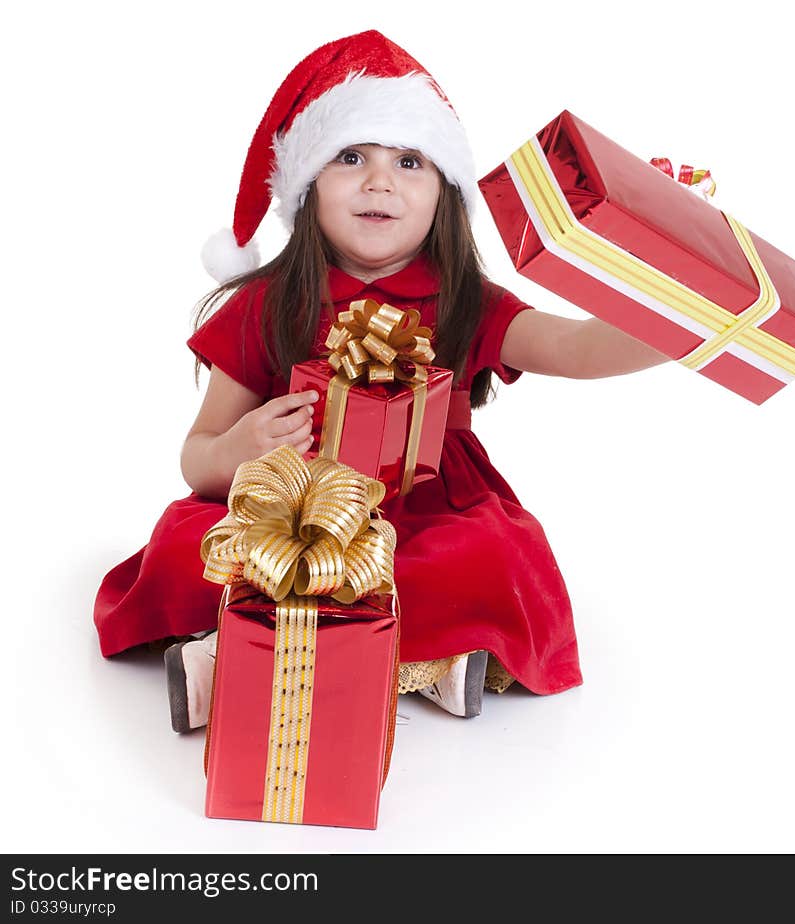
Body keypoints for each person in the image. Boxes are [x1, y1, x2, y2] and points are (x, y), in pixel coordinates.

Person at [93, 29, 669, 730]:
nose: (379, 180)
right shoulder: (266, 303)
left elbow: (580, 348)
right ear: (306, 186)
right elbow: (199, 453)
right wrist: (236, 448)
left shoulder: (466, 299)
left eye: (408, 160)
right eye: (350, 156)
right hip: (287, 511)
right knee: (191, 543)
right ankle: (248, 654)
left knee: (485, 554)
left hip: (425, 516)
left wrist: (674, 298)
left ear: (443, 194)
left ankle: (409, 660)